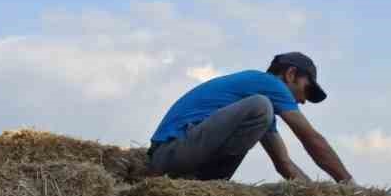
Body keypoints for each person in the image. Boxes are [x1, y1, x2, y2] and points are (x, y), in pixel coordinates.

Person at [148, 53, 353, 184]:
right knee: (260, 105)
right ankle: (209, 182)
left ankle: (207, 184)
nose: (304, 101)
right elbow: (311, 139)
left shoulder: (260, 116)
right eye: (307, 90)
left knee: (262, 107)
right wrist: (348, 185)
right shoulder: (268, 86)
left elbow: (284, 164)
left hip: (179, 157)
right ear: (290, 74)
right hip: (170, 153)